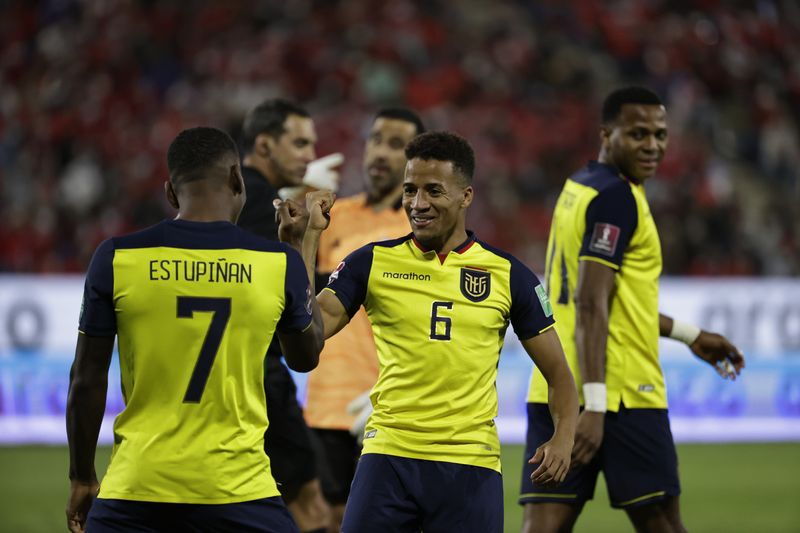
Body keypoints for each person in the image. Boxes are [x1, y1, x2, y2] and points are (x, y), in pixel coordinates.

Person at [280, 131, 579, 533]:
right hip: (388, 454)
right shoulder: (370, 263)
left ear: (466, 196)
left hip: (469, 463)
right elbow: (305, 348)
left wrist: (563, 438)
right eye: (410, 190)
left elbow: (559, 374)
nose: (417, 204)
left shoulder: (510, 276)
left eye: (433, 191)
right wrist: (307, 240)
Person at [65, 126, 331, 533]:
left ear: (171, 192)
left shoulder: (116, 258)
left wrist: (82, 476)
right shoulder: (278, 263)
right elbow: (306, 356)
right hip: (241, 492)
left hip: (136, 491)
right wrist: (300, 248)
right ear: (237, 180)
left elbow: (85, 381)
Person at [520, 87, 746, 533]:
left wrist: (689, 334)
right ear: (607, 133)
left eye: (660, 134)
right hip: (622, 391)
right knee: (662, 522)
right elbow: (589, 301)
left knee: (541, 527)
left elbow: (611, 300)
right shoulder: (617, 198)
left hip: (555, 384)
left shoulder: (578, 186)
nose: (652, 145)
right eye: (638, 133)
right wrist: (598, 406)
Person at [302, 107, 425, 531]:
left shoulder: (421, 230)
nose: (381, 153)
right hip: (326, 405)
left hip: (390, 409)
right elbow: (295, 292)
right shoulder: (333, 215)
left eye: (397, 145)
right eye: (376, 140)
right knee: (326, 520)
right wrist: (293, 200)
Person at [238, 98, 339, 532]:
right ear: (264, 144)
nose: (309, 155)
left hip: (227, 376)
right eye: (299, 143)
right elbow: (294, 287)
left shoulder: (229, 199)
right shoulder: (261, 205)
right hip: (261, 374)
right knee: (309, 505)